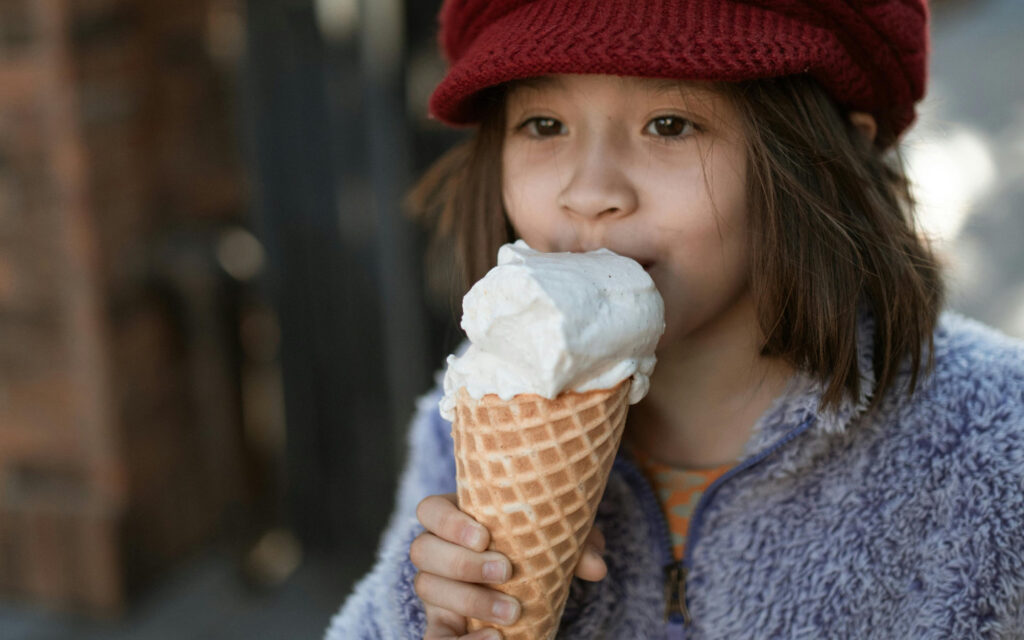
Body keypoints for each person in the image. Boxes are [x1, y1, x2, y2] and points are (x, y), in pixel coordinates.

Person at [326, 0, 1024, 638]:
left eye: (670, 124)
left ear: (825, 155)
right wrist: (429, 618)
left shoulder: (993, 443)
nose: (589, 192)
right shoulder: (465, 418)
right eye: (544, 124)